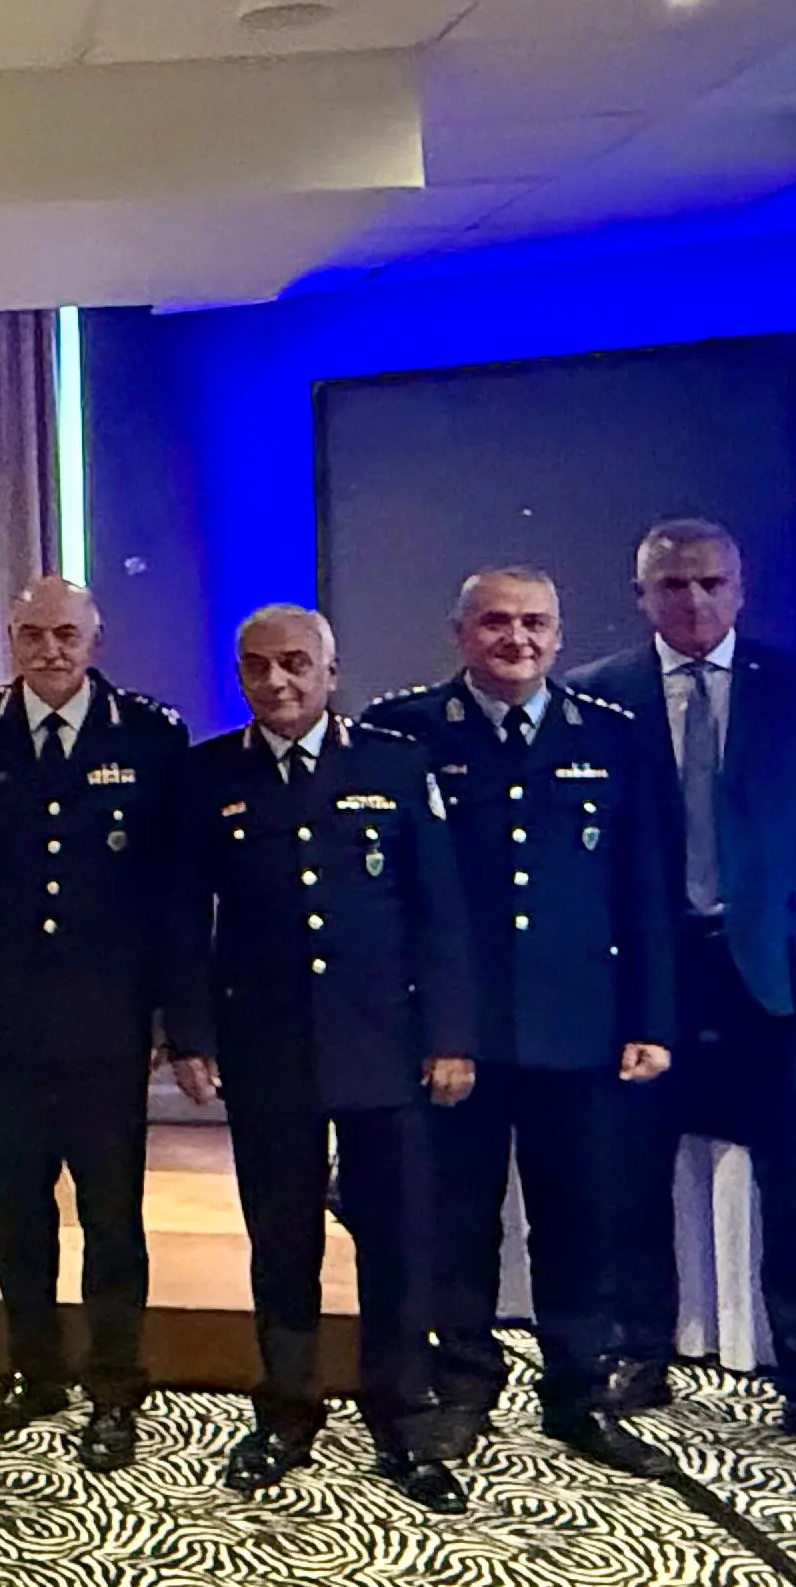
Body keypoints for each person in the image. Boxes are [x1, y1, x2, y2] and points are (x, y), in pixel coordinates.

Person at [567, 518, 796, 1473]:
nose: (695, 600)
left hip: (776, 975)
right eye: (673, 585)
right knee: (631, 1176)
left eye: (711, 583)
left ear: (740, 588)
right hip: (648, 975)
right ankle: (640, 1351)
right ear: (641, 595)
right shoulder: (597, 696)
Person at [361, 567, 678, 1477]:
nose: (517, 639)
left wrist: (651, 1018)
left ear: (560, 633)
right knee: (458, 1221)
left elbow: (644, 891)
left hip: (578, 1027)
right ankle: (464, 1388)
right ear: (460, 632)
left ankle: (579, 1393)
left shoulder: (610, 734)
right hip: (454, 1032)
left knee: (580, 1220)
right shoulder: (405, 731)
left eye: (535, 622)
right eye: (496, 622)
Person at [164, 604, 476, 1512]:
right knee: (282, 1237)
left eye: (296, 664)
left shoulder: (393, 766)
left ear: (332, 673)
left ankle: (402, 1413)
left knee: (397, 1239)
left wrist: (451, 1036)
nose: (278, 682)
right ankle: (286, 1408)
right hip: (268, 1044)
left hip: (385, 1043)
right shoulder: (208, 776)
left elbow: (439, 915)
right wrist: (190, 1035)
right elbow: (182, 921)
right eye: (258, 666)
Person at [0, 575, 186, 1471]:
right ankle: (34, 1367)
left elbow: (171, 894)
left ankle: (115, 1383)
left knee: (110, 1211)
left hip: (107, 1019)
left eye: (65, 635)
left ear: (95, 640)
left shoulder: (149, 735)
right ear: (10, 638)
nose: (49, 650)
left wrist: (170, 1014)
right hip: (4, 1012)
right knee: (19, 1206)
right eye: (32, 635)